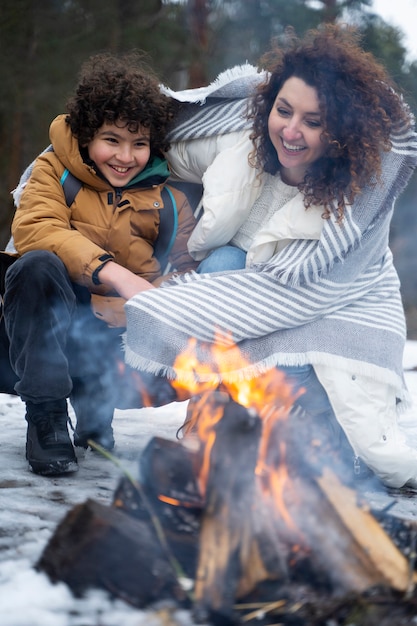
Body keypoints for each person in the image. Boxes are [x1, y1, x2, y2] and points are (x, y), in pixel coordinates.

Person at [123, 24, 417, 490]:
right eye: (284, 111)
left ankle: (285, 437)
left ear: (342, 132)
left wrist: (166, 300)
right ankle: (217, 423)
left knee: (349, 459)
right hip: (246, 308)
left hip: (331, 319)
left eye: (314, 121)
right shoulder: (242, 143)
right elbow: (142, 147)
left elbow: (309, 293)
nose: (291, 131)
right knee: (222, 262)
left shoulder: (355, 198)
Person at [2, 51, 198, 476]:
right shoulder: (53, 172)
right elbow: (38, 229)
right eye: (112, 139)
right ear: (88, 135)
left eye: (140, 143)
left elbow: (188, 273)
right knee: (35, 265)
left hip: (120, 348)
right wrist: (118, 276)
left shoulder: (171, 201)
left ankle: (96, 406)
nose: (125, 156)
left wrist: (142, 302)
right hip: (39, 339)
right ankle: (48, 416)